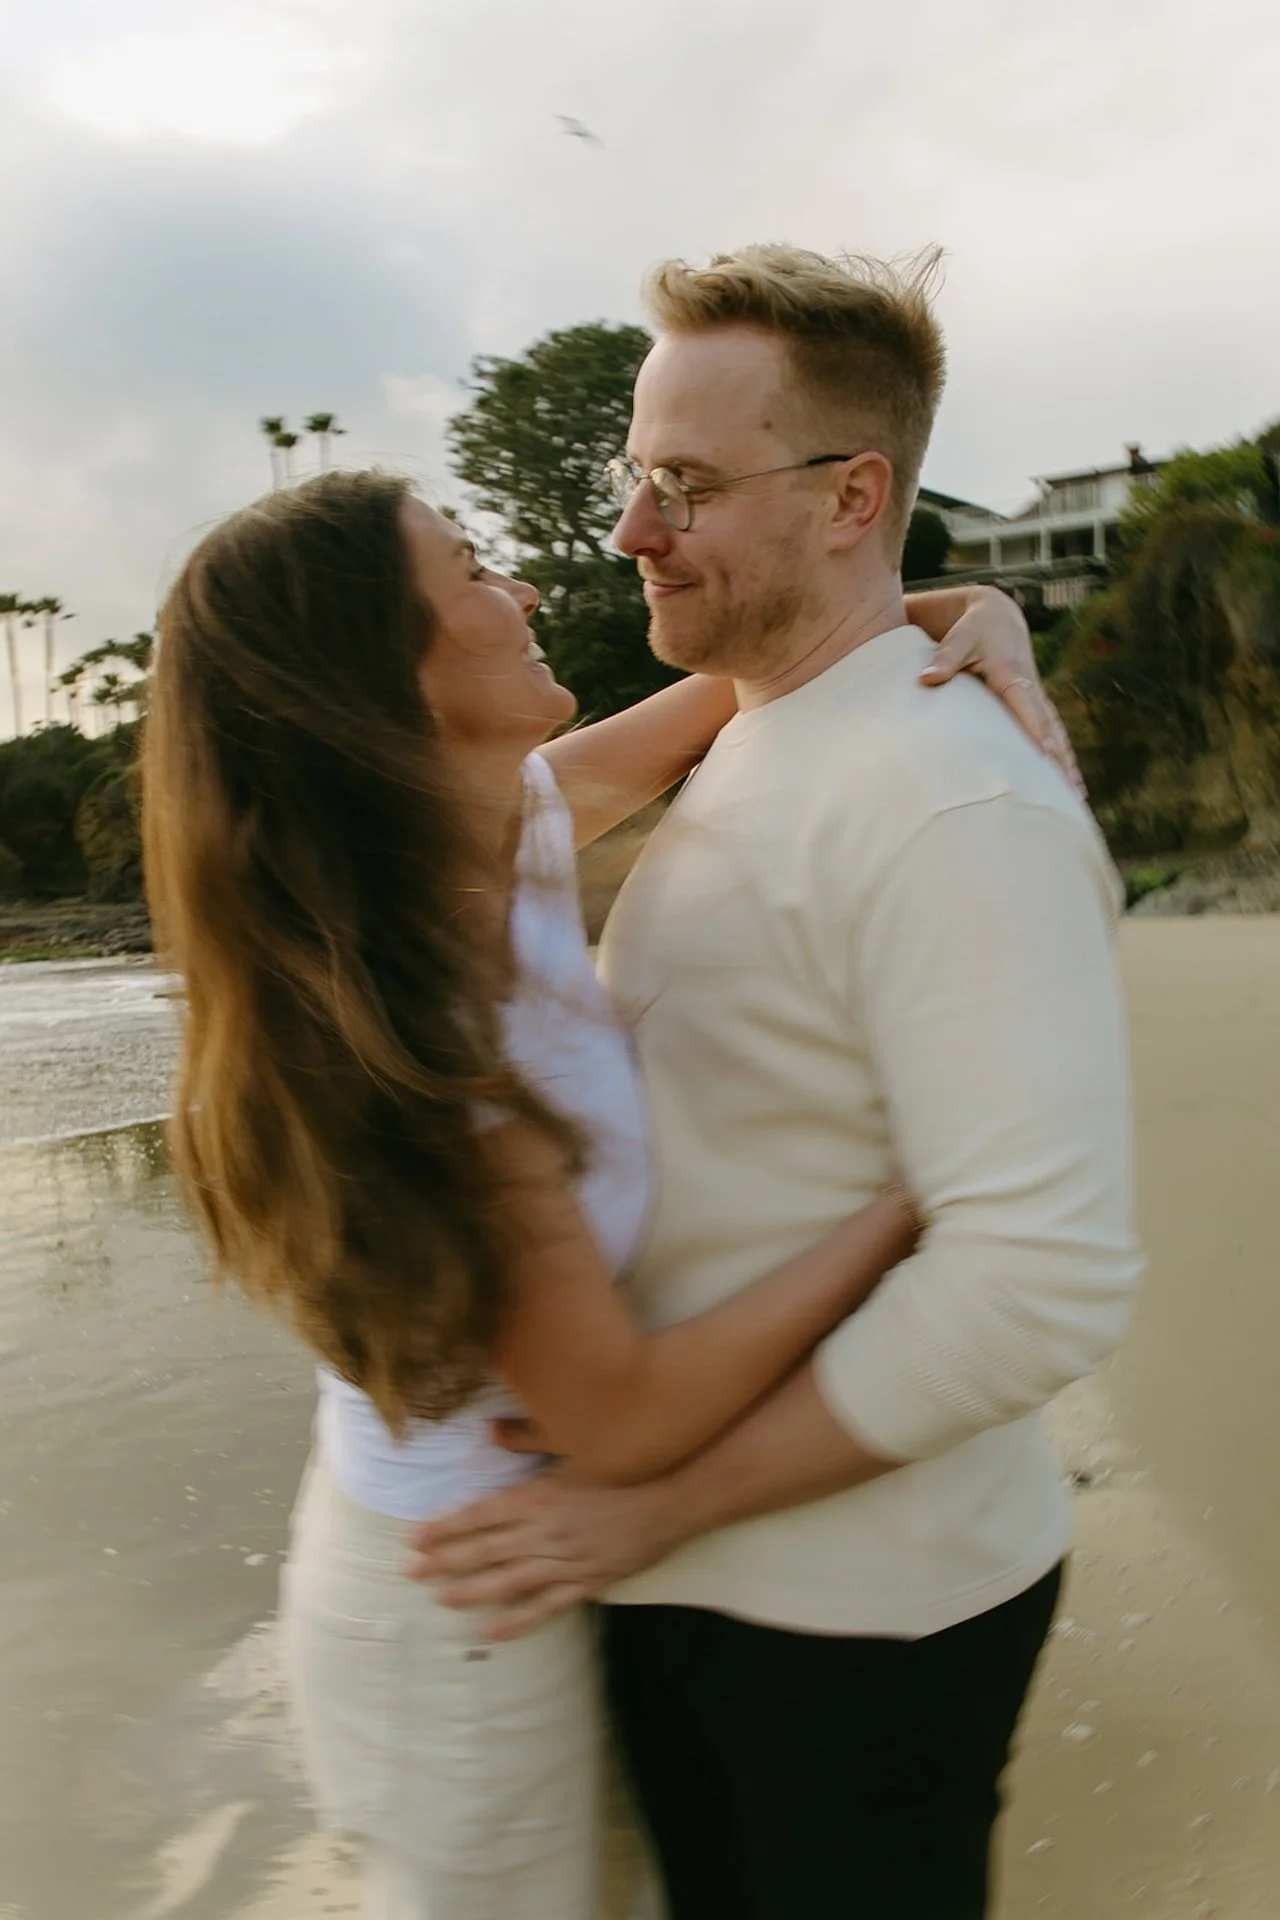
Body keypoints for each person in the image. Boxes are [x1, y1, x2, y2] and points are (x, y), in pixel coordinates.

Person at [143, 470, 1065, 1920]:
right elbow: (617, 1413)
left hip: (537, 1559)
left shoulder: (495, 822)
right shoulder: (427, 1024)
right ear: (387, 670)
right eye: (471, 573)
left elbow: (792, 650)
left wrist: (984, 608)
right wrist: (902, 1211)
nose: (519, 591)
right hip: (458, 1609)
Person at [409, 244, 1144, 1920]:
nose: (627, 531)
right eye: (632, 477)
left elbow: (1042, 1282)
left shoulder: (955, 804)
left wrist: (656, 1502)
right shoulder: (751, 734)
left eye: (682, 484)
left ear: (849, 496)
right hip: (678, 1580)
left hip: (856, 1619)